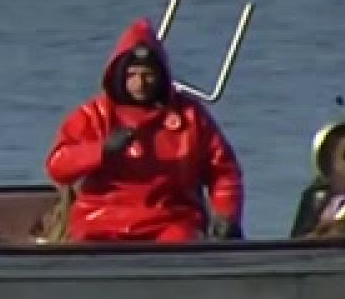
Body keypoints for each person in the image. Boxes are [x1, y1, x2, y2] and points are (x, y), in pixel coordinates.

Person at [45, 17, 244, 243]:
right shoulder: (94, 115)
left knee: (181, 244)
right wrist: (100, 151)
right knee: (89, 249)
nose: (140, 83)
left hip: (171, 219)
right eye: (132, 75)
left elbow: (224, 171)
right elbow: (57, 166)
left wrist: (227, 214)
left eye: (148, 74)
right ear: (119, 75)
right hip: (101, 219)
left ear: (162, 76)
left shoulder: (190, 116)